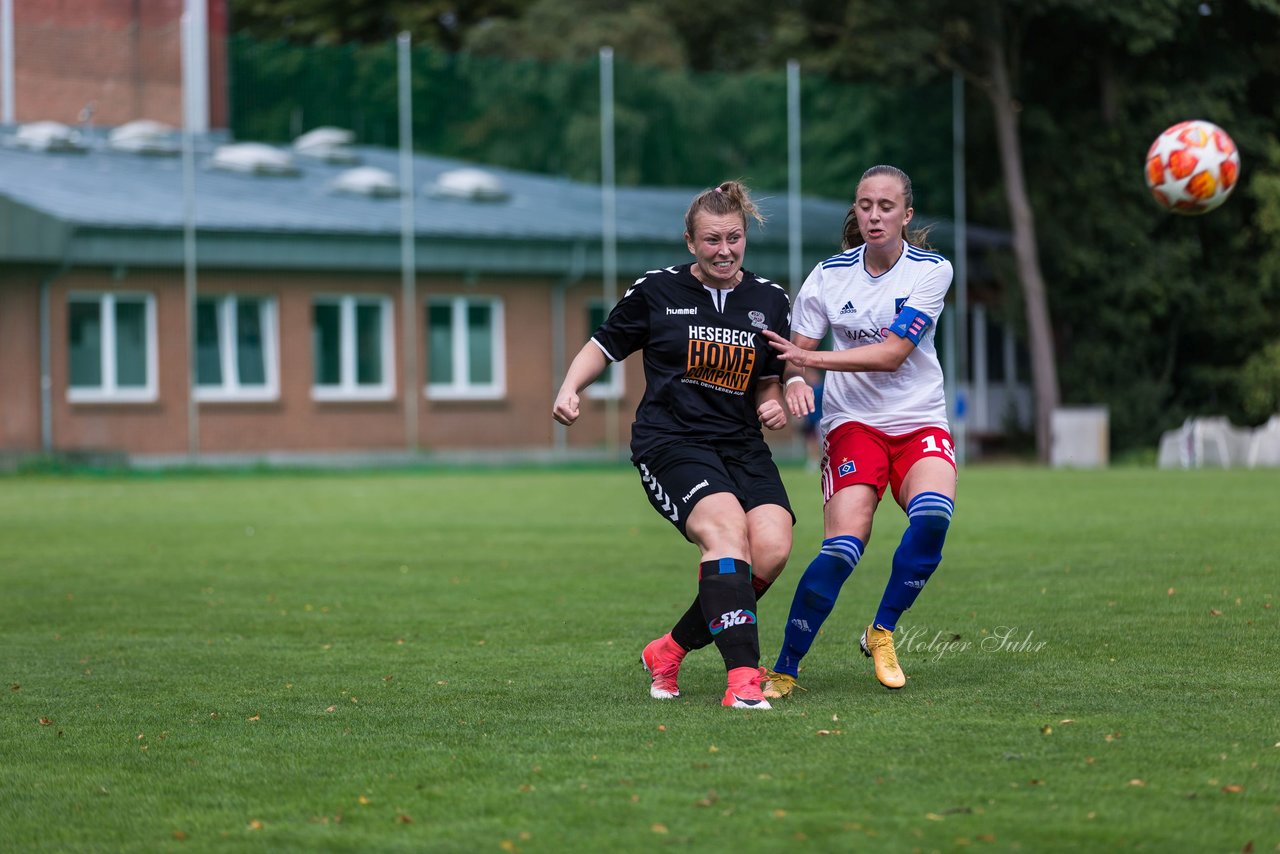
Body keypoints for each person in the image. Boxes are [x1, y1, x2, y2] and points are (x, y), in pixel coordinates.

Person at [553, 180, 794, 711]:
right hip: (672, 443)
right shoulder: (656, 291)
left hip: (741, 445)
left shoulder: (770, 301)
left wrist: (773, 401)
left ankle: (670, 649)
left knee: (772, 550)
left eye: (733, 238)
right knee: (727, 533)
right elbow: (603, 345)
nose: (724, 250)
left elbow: (771, 378)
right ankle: (743, 682)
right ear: (690, 242)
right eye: (711, 240)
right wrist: (571, 388)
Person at [760, 164, 957, 696]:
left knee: (934, 516)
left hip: (919, 421)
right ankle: (785, 668)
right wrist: (796, 380)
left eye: (886, 207)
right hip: (852, 426)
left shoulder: (932, 271)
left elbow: (894, 354)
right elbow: (794, 357)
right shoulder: (828, 276)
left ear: (906, 215)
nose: (873, 215)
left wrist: (809, 359)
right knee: (843, 548)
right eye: (865, 205)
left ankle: (882, 630)